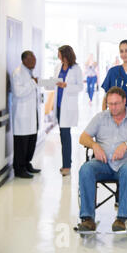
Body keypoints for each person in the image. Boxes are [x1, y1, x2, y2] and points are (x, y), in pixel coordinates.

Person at [77, 87, 127, 232]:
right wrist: (94, 145)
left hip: (125, 164)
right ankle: (87, 219)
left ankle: (122, 219)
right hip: (102, 164)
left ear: (124, 101)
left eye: (116, 103)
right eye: (110, 104)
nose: (113, 107)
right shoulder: (100, 117)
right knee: (86, 169)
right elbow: (83, 137)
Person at [53, 45, 84, 177]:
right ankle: (67, 161)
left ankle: (66, 166)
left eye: (59, 54)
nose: (58, 56)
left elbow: (80, 87)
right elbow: (54, 82)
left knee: (65, 135)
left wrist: (67, 86)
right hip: (59, 105)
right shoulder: (58, 67)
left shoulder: (76, 69)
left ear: (66, 55)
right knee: (62, 135)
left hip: (68, 107)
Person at [11, 51, 41, 178]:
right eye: (31, 60)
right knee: (21, 144)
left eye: (35, 60)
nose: (34, 63)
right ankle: (19, 169)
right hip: (22, 115)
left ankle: (27, 164)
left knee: (31, 142)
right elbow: (18, 92)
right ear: (24, 60)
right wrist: (33, 82)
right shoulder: (18, 73)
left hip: (31, 114)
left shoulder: (28, 71)